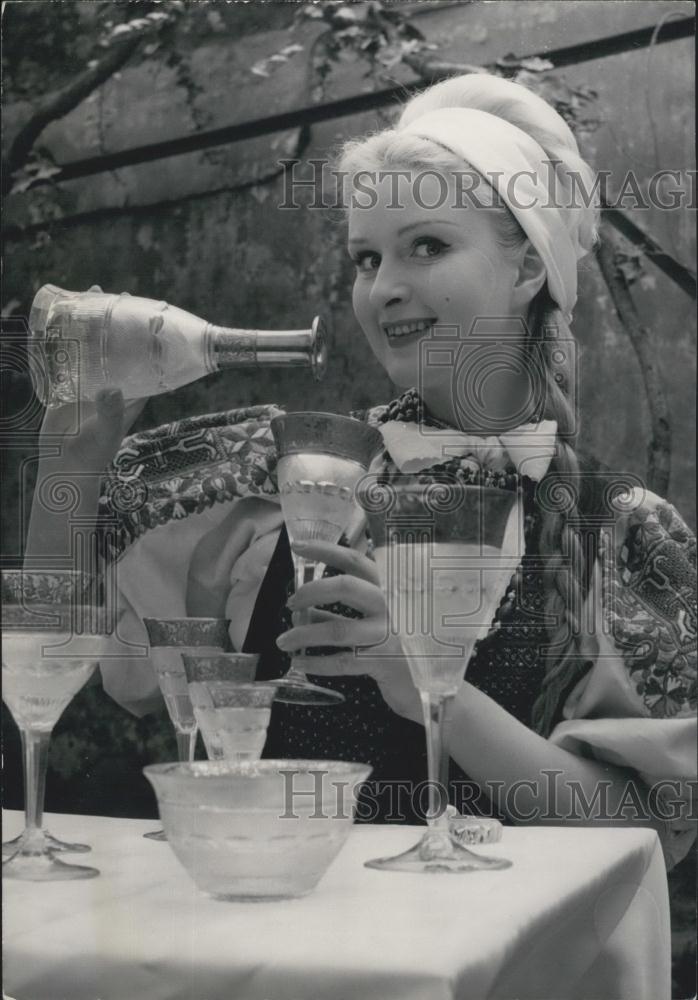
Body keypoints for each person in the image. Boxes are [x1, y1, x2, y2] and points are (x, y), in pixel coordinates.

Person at [27, 73, 696, 869]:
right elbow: (51, 661)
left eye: (428, 246)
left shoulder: (620, 526)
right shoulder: (283, 469)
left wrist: (416, 675)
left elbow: (648, 830)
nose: (384, 289)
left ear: (527, 270)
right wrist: (66, 472)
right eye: (366, 257)